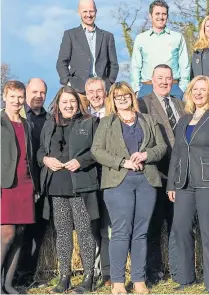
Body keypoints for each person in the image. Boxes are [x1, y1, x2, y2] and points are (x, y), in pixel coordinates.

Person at [91, 82, 167, 294]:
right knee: (121, 231)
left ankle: (139, 280)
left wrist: (145, 155)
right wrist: (122, 162)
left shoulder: (148, 120)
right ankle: (117, 281)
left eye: (125, 95)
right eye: (117, 96)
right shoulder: (106, 123)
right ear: (112, 100)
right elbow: (97, 150)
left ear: (132, 97)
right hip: (118, 182)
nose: (122, 99)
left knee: (141, 232)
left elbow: (161, 148)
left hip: (146, 181)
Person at [167, 75, 209, 293]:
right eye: (195, 89)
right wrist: (171, 184)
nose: (198, 93)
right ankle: (186, 277)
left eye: (202, 89)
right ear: (190, 93)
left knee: (208, 231)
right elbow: (176, 153)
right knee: (180, 228)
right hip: (184, 183)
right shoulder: (184, 120)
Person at [37, 86, 99, 294]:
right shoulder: (49, 125)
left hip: (80, 184)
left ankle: (89, 277)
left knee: (84, 231)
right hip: (57, 184)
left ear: (78, 103)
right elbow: (40, 151)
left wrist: (81, 161)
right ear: (58, 104)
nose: (68, 105)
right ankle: (65, 277)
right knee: (63, 233)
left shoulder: (89, 122)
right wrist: (45, 160)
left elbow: (97, 150)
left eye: (72, 101)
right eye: (64, 102)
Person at [138, 64, 185, 284]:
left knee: (177, 225)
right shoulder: (143, 104)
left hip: (181, 173)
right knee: (154, 225)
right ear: (152, 80)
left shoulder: (181, 104)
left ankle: (177, 271)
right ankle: (154, 272)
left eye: (168, 78)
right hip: (157, 173)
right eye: (160, 78)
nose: (165, 82)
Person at [1, 81, 39, 294]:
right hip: (5, 185)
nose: (16, 101)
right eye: (12, 96)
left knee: (21, 233)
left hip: (25, 184)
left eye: (20, 97)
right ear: (5, 96)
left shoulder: (27, 124)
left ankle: (8, 283)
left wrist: (35, 185)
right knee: (6, 233)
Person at [56, 0, 119, 110]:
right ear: (79, 12)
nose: (88, 15)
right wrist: (68, 82)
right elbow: (61, 62)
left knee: (105, 123)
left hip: (102, 92)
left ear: (96, 11)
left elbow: (113, 64)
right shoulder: (70, 35)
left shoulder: (107, 36)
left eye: (91, 11)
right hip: (79, 90)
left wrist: (109, 83)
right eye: (85, 11)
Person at [17, 78, 49, 285]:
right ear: (27, 92)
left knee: (38, 231)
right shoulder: (17, 116)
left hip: (44, 184)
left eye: (43, 92)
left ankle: (27, 276)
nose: (38, 96)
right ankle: (11, 277)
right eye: (34, 91)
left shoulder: (50, 119)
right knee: (18, 232)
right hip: (21, 183)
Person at [131, 0, 190, 99]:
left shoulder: (177, 37)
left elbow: (185, 65)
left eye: (164, 14)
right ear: (150, 16)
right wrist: (136, 90)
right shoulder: (141, 38)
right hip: (147, 87)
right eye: (157, 14)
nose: (161, 17)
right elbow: (135, 66)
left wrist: (182, 89)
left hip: (173, 87)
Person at [85, 77, 111, 287]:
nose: (95, 95)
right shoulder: (81, 117)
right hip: (88, 179)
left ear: (105, 92)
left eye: (99, 91)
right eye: (91, 91)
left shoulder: (113, 115)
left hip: (110, 177)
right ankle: (91, 271)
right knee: (92, 226)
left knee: (108, 227)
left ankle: (108, 272)